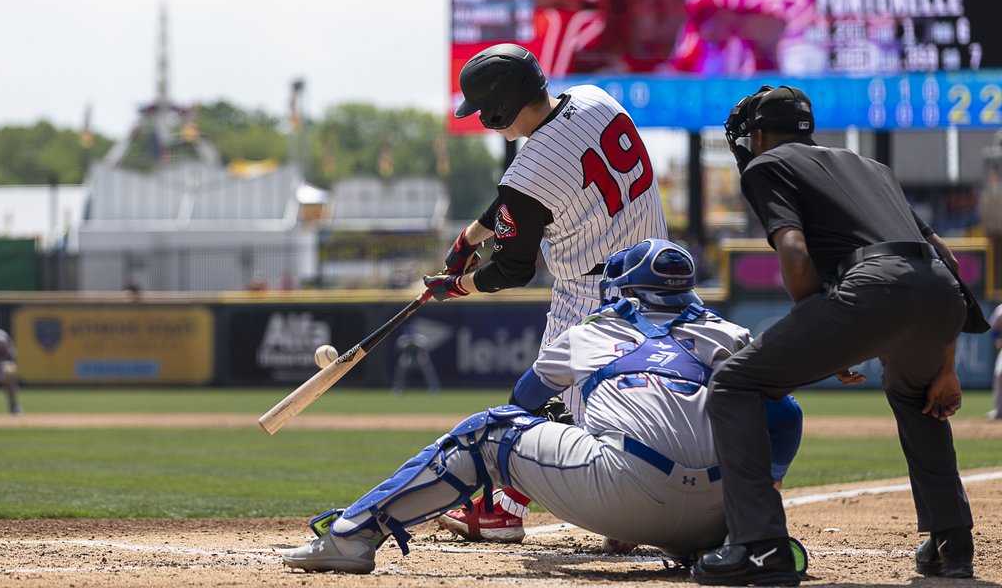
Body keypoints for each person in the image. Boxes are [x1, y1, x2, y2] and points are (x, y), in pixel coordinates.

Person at [282, 239, 803, 575]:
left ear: (625, 291)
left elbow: (522, 404)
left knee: (485, 433)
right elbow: (787, 416)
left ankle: (352, 536)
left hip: (622, 492)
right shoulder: (730, 335)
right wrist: (763, 487)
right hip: (719, 517)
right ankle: (719, 541)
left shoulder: (595, 330)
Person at [694, 85, 988, 586]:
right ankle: (951, 541)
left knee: (734, 383)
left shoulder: (767, 166)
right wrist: (946, 369)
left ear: (760, 134)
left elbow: (795, 255)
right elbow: (950, 262)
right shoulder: (872, 168)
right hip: (940, 293)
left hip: (872, 288)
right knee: (918, 394)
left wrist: (823, 332)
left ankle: (761, 547)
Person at [424, 42, 667, 540]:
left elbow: (513, 268)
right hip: (661, 276)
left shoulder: (527, 172)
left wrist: (460, 285)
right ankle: (626, 511)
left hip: (591, 293)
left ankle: (503, 511)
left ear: (501, 108)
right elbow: (533, 198)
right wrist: (471, 237)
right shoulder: (595, 98)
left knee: (538, 404)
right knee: (645, 399)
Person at [391, 331, 440, 395]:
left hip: (419, 358)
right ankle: (398, 389)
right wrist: (407, 344)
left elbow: (427, 348)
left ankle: (434, 389)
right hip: (409, 359)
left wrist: (416, 344)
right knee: (401, 365)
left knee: (427, 368)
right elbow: (397, 349)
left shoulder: (420, 338)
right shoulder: (403, 338)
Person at [989, 304, 1002, 421]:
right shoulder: (1001, 310)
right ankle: (999, 411)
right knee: (1000, 374)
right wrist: (998, 340)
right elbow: (993, 330)